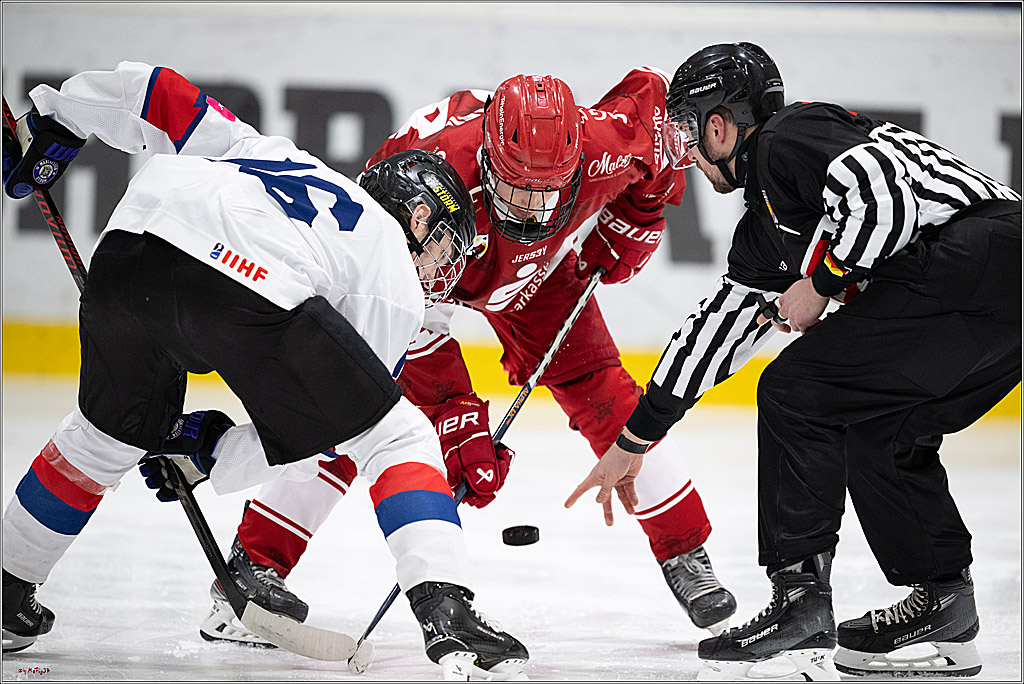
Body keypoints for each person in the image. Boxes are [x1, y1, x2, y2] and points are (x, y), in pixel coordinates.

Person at [0, 61, 531, 681]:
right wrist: (218, 453)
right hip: (245, 285)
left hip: (130, 250)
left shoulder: (272, 151)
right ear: (418, 219)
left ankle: (7, 593)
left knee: (100, 439)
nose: (443, 272)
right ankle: (448, 613)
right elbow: (326, 434)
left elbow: (158, 92)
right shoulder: (390, 272)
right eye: (444, 247)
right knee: (396, 434)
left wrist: (60, 115)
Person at [197, 67, 740, 648]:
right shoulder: (418, 186)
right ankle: (253, 569)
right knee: (358, 403)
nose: (532, 209)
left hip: (542, 273)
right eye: (516, 191)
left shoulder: (605, 143)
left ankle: (686, 551)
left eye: (547, 191)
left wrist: (636, 220)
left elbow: (659, 128)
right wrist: (457, 415)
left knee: (604, 391)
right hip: (434, 257)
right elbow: (401, 316)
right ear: (485, 162)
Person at [568, 41, 1021, 680]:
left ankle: (800, 603)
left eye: (689, 135)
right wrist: (636, 436)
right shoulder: (769, 222)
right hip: (1000, 290)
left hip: (979, 257)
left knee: (794, 390)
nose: (690, 155)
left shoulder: (787, 138)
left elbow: (881, 195)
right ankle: (945, 600)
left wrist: (825, 280)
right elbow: (717, 331)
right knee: (882, 427)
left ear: (718, 126)